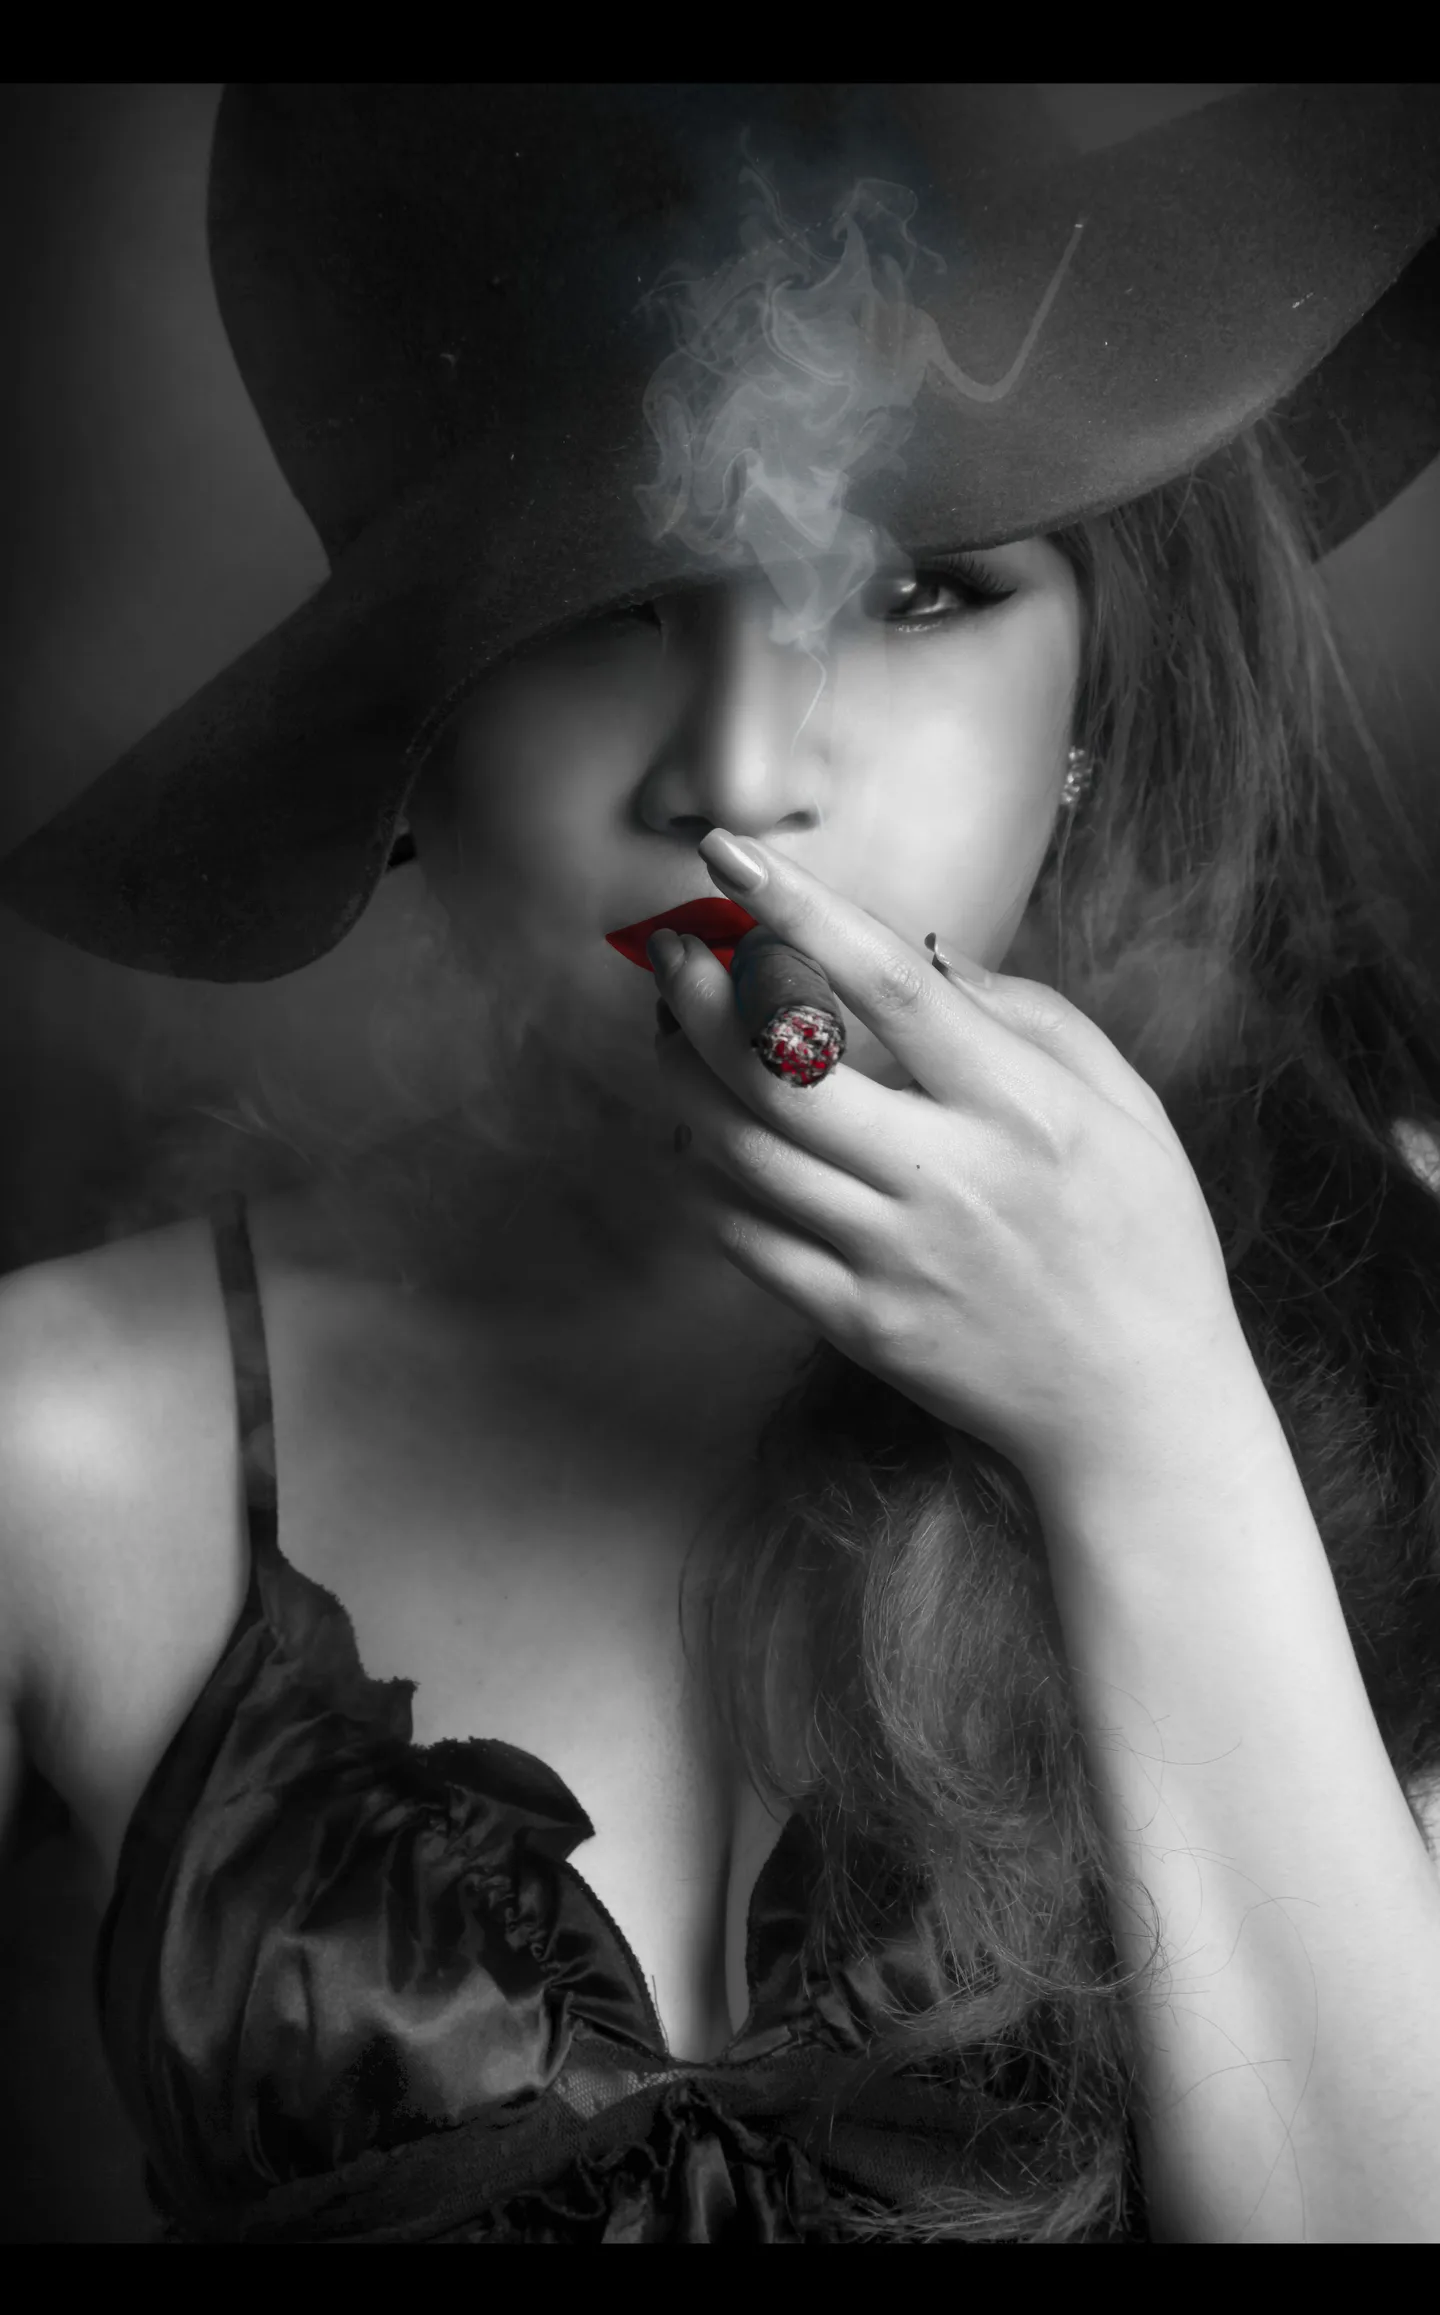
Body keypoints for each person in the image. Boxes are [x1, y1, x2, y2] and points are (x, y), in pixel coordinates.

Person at [2, 82, 1440, 2246]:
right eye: (610, 601)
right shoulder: (59, 1441)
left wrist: (1155, 1421)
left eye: (921, 589)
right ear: (408, 733)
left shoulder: (1385, 1296)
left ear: (1092, 702)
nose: (743, 776)